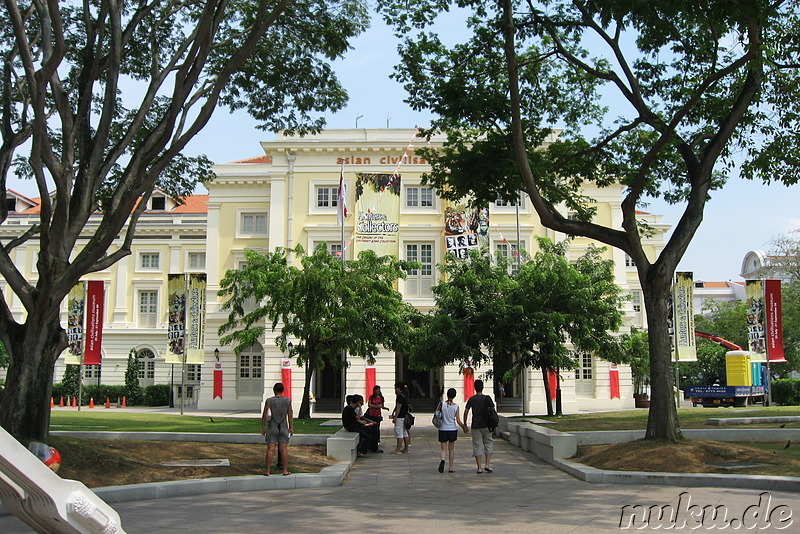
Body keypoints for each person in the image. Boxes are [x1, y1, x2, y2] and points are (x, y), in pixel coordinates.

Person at [261, 382, 293, 476]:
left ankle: (267, 471)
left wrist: (263, 427)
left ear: (274, 390)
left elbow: (264, 415)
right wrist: (291, 427)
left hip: (272, 426)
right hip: (283, 426)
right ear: (283, 391)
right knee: (284, 449)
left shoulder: (269, 401)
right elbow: (290, 415)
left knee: (270, 449)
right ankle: (285, 470)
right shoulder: (287, 401)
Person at [463, 379, 495, 474]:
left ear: (475, 388)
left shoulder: (472, 399)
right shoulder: (487, 398)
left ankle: (479, 467)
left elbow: (466, 412)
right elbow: (493, 410)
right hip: (487, 425)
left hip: (476, 425)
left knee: (477, 445)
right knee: (488, 444)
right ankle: (487, 464)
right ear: (483, 387)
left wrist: (465, 424)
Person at [436, 387, 468, 473]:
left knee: (443, 448)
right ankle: (450, 467)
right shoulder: (456, 407)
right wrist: (464, 427)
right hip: (452, 429)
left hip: (443, 428)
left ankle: (442, 460)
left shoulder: (441, 404)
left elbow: (436, 414)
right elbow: (458, 420)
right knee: (451, 449)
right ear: (454, 396)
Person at [365, 385, 388, 453]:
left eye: (378, 390)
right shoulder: (371, 397)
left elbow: (382, 406)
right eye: (376, 390)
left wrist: (385, 408)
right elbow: (369, 405)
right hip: (372, 414)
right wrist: (376, 406)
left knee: (377, 429)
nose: (378, 391)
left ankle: (375, 443)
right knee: (373, 430)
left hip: (378, 415)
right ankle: (372, 445)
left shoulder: (381, 397)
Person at [389, 381, 410, 454]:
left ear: (398, 388)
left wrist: (395, 416)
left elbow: (399, 407)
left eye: (395, 387)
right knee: (404, 433)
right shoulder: (405, 395)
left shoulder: (400, 396)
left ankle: (397, 449)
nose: (395, 389)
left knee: (399, 432)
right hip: (405, 416)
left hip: (400, 417)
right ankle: (406, 448)